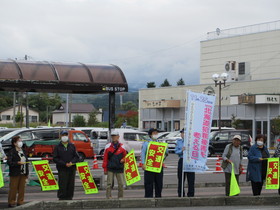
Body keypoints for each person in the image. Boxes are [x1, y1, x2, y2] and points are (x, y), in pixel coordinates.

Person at [141, 128, 168, 198]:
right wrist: (143, 163)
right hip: (149, 165)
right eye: (154, 133)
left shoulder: (160, 143)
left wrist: (165, 147)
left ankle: (158, 196)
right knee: (148, 183)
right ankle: (148, 197)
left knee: (159, 183)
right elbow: (143, 153)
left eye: (156, 133)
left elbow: (166, 153)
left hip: (158, 166)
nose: (156, 134)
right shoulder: (146, 143)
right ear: (150, 135)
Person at [53, 130, 80, 200]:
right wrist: (64, 163)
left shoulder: (72, 146)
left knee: (70, 184)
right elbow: (55, 158)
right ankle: (61, 197)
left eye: (66, 135)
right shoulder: (57, 147)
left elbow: (77, 156)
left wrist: (72, 162)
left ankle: (70, 196)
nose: (64, 137)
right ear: (60, 136)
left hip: (71, 168)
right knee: (62, 184)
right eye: (63, 135)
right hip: (62, 168)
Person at [102, 131, 127, 199]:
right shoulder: (107, 146)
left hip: (119, 168)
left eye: (115, 136)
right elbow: (105, 159)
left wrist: (123, 159)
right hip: (110, 168)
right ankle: (108, 197)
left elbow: (126, 157)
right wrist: (105, 169)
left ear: (118, 137)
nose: (114, 138)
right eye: (112, 136)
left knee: (121, 184)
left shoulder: (122, 146)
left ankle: (120, 197)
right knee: (109, 184)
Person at [7, 136, 29, 208]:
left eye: (21, 140)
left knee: (22, 188)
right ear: (14, 143)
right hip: (15, 173)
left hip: (23, 172)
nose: (20, 142)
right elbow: (9, 162)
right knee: (13, 188)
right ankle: (11, 202)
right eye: (19, 141)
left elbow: (26, 161)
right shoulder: (12, 151)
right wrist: (17, 163)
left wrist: (27, 173)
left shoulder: (23, 151)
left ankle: (20, 201)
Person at [175, 128, 195, 197]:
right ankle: (181, 194)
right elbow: (176, 151)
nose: (182, 134)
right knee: (181, 178)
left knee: (191, 179)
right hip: (182, 159)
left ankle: (191, 194)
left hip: (190, 161)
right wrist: (181, 150)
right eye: (182, 133)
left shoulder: (192, 141)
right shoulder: (179, 141)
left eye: (184, 133)